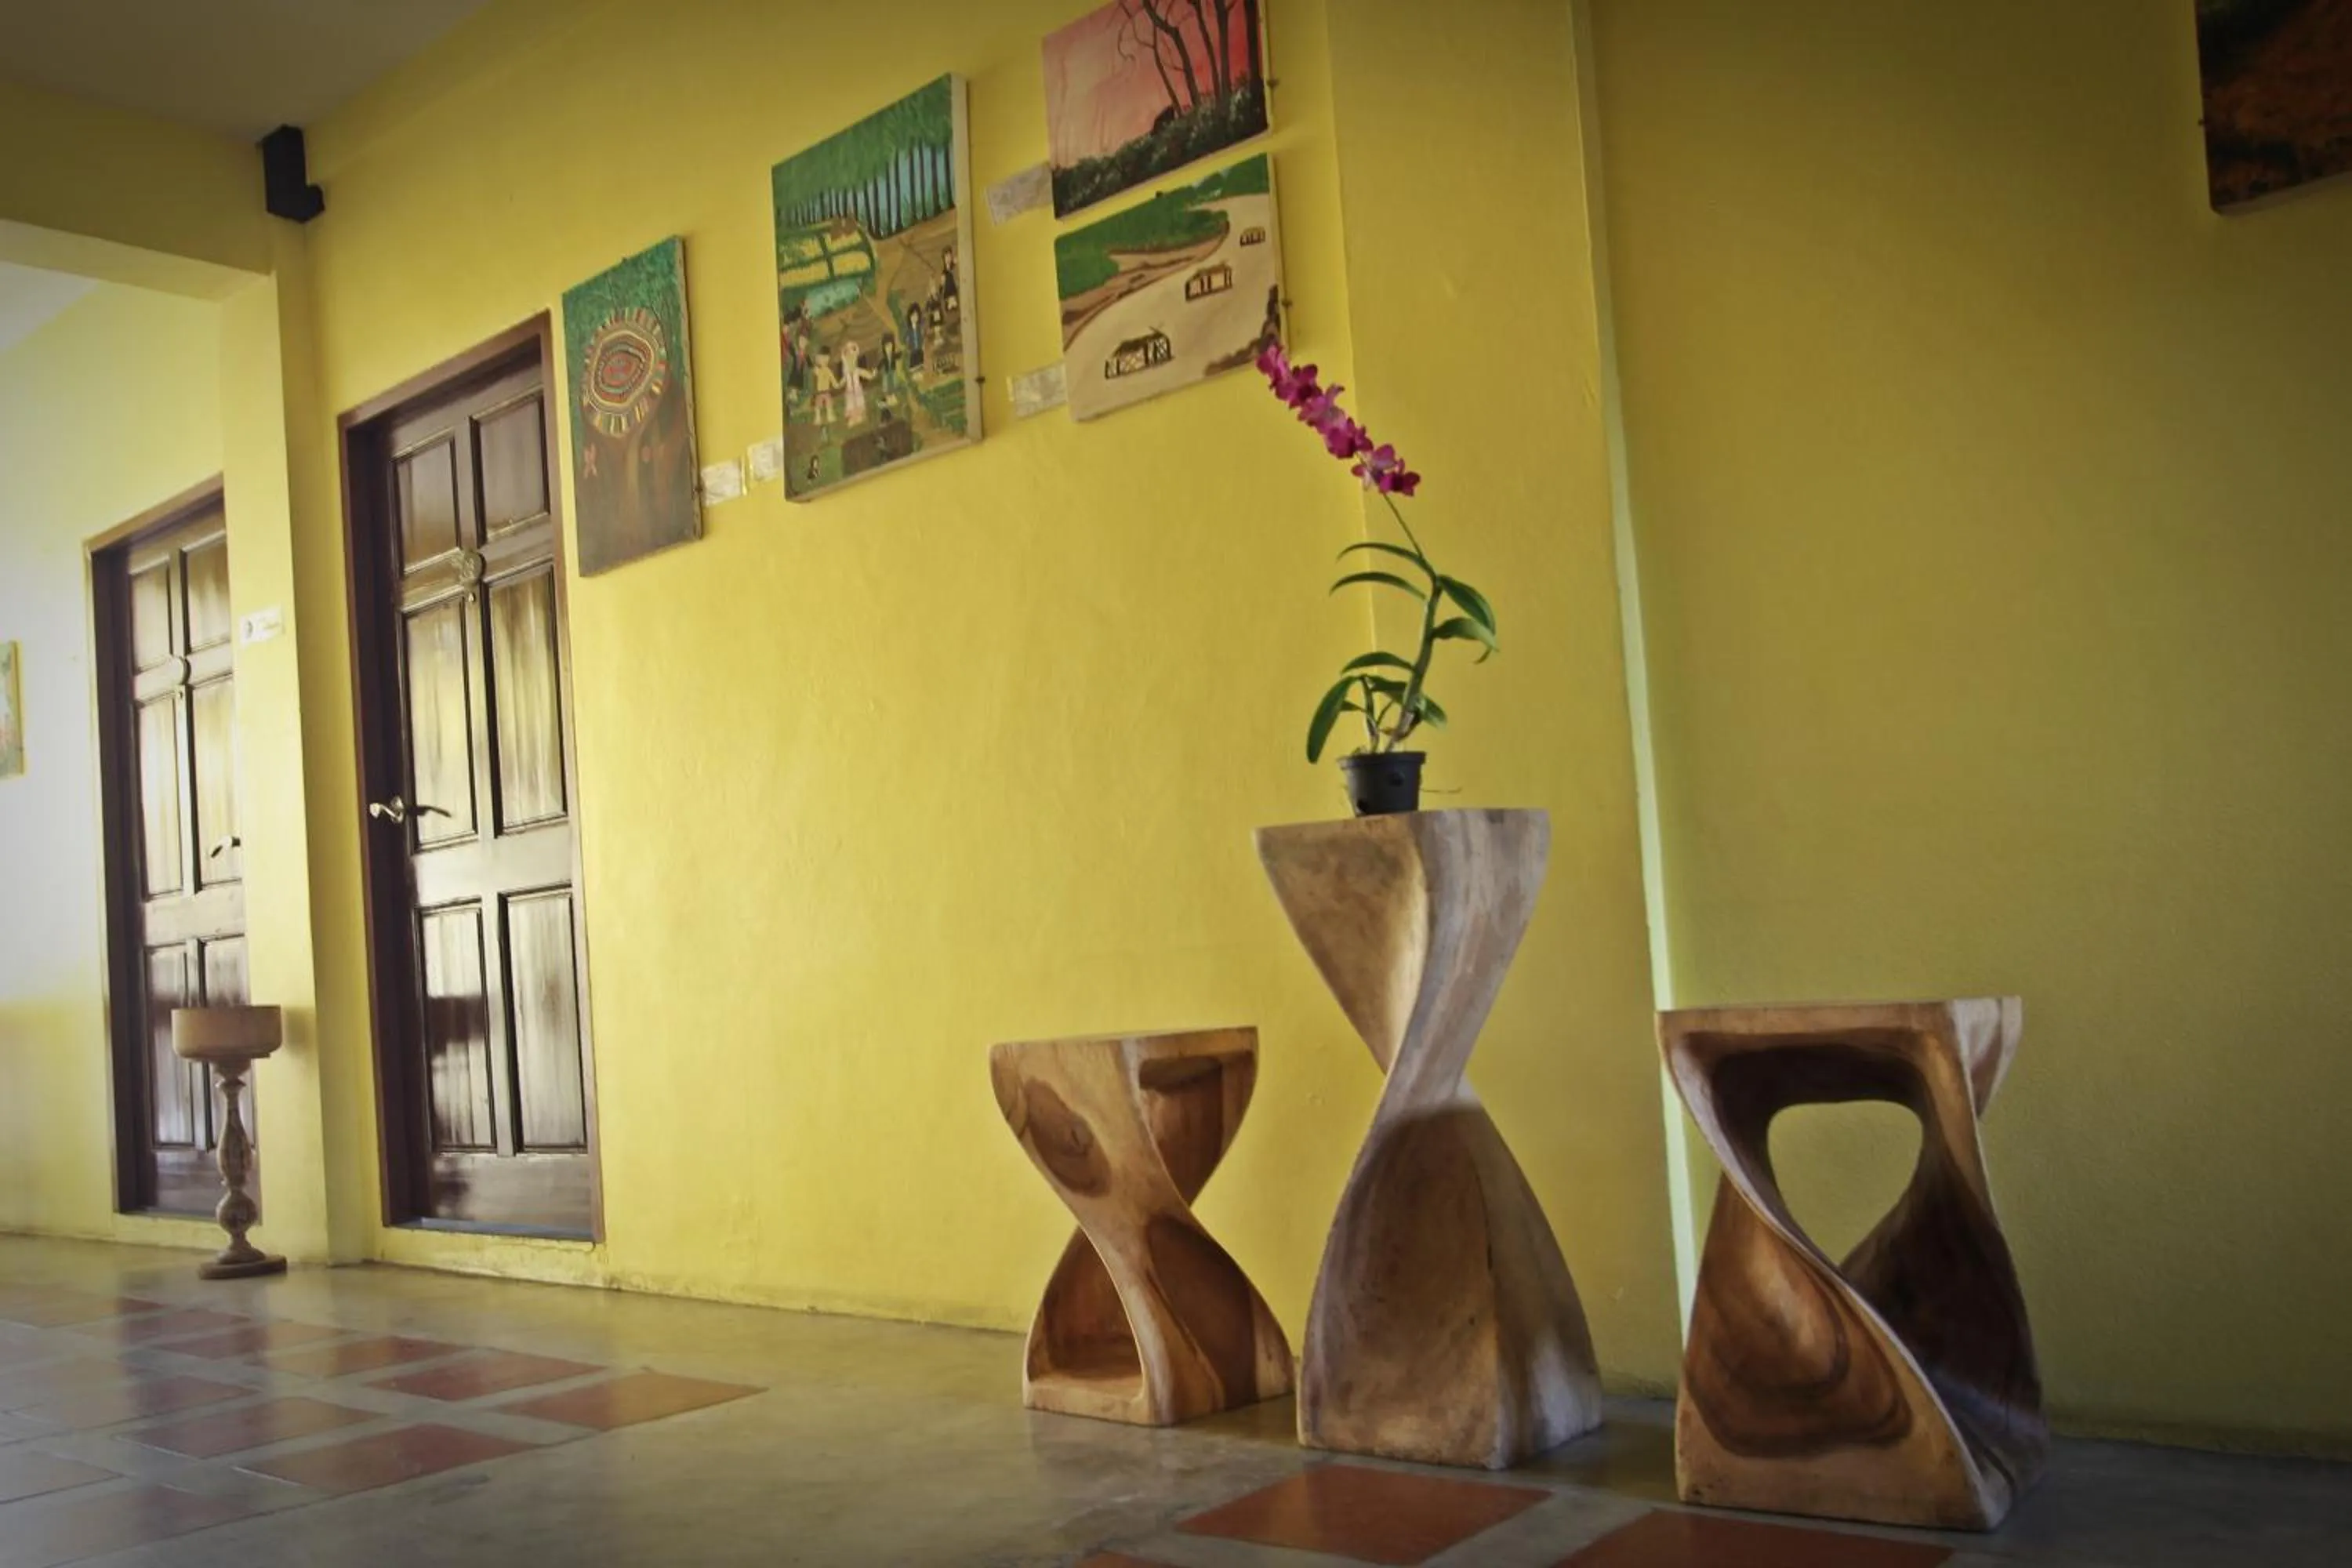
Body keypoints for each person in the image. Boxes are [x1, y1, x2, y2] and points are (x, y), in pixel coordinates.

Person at [840, 339, 868, 425]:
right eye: (849, 358)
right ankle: (852, 418)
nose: (851, 360)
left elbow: (864, 373)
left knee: (859, 401)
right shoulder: (846, 372)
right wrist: (838, 384)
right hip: (850, 390)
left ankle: (859, 416)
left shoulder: (856, 370)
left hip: (857, 389)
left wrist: (871, 375)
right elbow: (844, 379)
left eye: (852, 358)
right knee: (851, 403)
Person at [812, 351, 838, 426]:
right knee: (818, 405)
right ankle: (818, 418)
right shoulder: (818, 370)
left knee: (829, 404)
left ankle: (830, 416)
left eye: (824, 360)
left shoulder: (828, 370)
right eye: (820, 360)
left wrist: (836, 384)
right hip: (820, 392)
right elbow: (815, 371)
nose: (822, 362)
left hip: (826, 391)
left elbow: (832, 378)